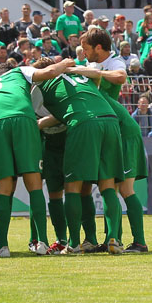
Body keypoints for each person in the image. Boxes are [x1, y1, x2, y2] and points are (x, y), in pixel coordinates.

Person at [34, 57, 126, 255]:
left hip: (83, 123)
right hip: (110, 120)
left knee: (73, 186)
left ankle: (74, 243)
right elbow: (96, 78)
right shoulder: (80, 76)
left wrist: (39, 124)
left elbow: (47, 112)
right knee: (108, 184)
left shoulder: (41, 85)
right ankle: (113, 239)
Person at [0, 60, 70, 257]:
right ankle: (42, 243)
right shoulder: (20, 71)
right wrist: (65, 63)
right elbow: (49, 71)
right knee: (34, 184)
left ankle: (3, 246)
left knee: (3, 188)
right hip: (24, 121)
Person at [73, 26, 149, 253]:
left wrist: (94, 73)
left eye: (86, 49)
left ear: (99, 47)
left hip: (123, 131)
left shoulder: (115, 63)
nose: (83, 53)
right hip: (109, 131)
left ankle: (139, 242)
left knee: (125, 188)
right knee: (108, 186)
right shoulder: (91, 64)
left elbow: (120, 77)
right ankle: (111, 239)